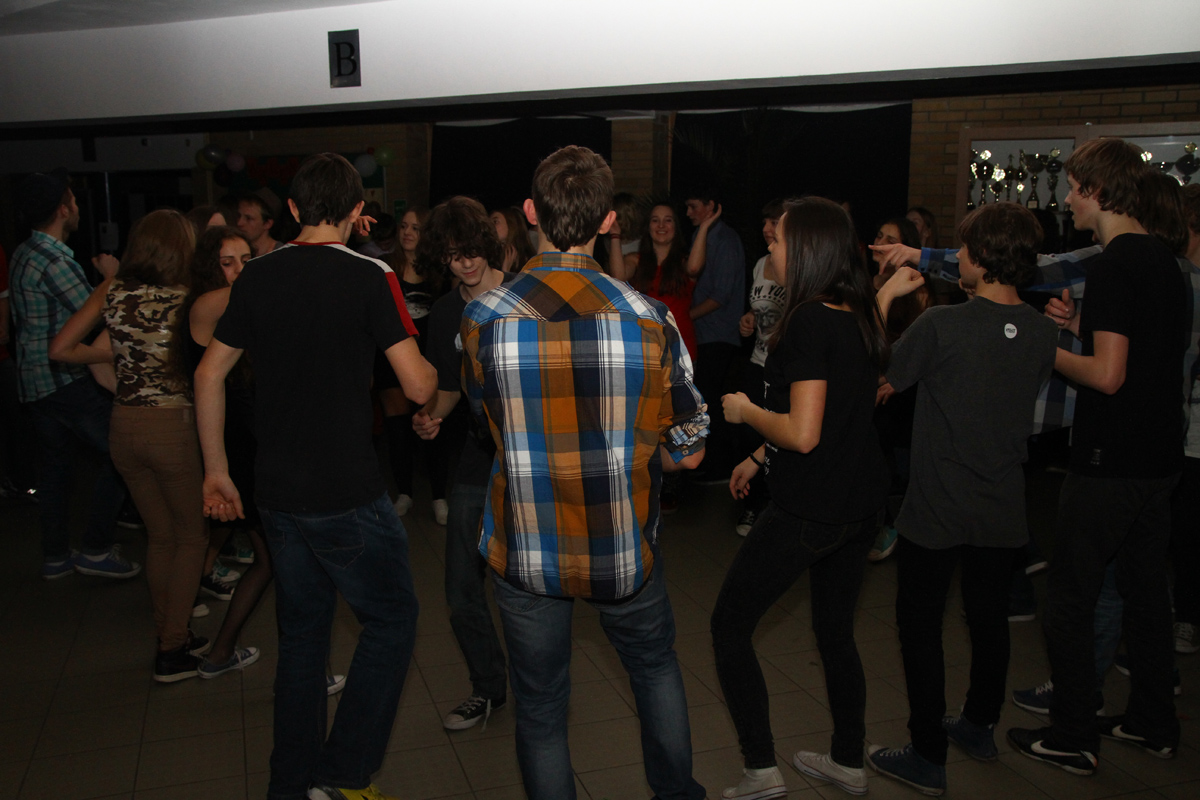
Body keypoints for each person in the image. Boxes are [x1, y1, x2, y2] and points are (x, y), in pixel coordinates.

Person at [461, 145, 709, 800]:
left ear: (528, 213)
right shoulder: (651, 320)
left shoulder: (483, 318)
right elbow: (690, 450)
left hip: (526, 548)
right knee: (654, 670)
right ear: (608, 221)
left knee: (541, 708)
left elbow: (485, 418)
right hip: (622, 544)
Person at [195, 152, 437, 800]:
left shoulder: (256, 275)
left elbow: (208, 373)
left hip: (277, 491)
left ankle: (291, 784)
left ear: (294, 210)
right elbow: (417, 386)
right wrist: (434, 372)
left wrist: (216, 471)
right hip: (345, 491)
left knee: (302, 639)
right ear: (358, 212)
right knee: (392, 619)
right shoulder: (372, 275)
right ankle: (344, 773)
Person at [864, 203, 1059, 796]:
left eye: (964, 249)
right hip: (1002, 503)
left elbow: (881, 375)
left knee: (920, 626)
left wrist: (883, 299)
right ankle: (978, 725)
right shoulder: (1044, 331)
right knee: (989, 620)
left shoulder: (942, 326)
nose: (958, 257)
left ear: (981, 256)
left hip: (937, 503)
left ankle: (926, 754)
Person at [1007, 138, 1186, 774]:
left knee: (1071, 597)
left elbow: (1108, 377)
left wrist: (1043, 345)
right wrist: (1075, 328)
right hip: (1158, 456)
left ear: (1101, 191)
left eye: (1077, 188)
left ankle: (1073, 734)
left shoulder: (1113, 266)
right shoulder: (1164, 259)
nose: (1070, 199)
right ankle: (1152, 722)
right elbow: (1144, 352)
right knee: (1145, 594)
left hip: (1112, 459)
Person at [712, 197, 890, 800]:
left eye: (780, 240)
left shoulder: (808, 321)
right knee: (835, 633)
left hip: (812, 508)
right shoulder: (855, 312)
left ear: (809, 250)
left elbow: (805, 432)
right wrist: (760, 456)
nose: (771, 248)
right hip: (859, 504)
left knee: (729, 626)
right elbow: (836, 414)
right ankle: (848, 761)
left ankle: (760, 769)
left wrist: (745, 412)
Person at [50, 209, 209, 682]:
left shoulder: (113, 290)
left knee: (160, 538)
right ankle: (172, 648)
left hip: (124, 424)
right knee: (192, 537)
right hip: (172, 426)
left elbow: (61, 349)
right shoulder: (188, 298)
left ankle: (170, 634)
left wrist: (121, 353)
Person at [411, 196, 514, 731]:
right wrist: (432, 415)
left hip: (526, 461)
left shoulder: (523, 295)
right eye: (452, 255)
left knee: (524, 587)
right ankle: (488, 686)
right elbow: (448, 387)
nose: (465, 263)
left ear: (487, 245)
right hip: (475, 461)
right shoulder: (447, 312)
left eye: (471, 251)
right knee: (461, 590)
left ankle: (539, 684)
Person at [8, 168, 139, 580]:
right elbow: (98, 314)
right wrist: (112, 277)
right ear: (63, 210)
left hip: (35, 382)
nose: (79, 207)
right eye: (75, 201)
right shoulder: (54, 260)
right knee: (122, 454)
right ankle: (96, 549)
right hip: (62, 381)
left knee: (56, 469)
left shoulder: (24, 251)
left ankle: (56, 556)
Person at [378, 207, 447, 521]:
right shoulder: (384, 267)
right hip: (391, 359)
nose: (407, 232)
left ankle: (439, 496)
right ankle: (404, 493)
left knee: (431, 427)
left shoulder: (438, 270)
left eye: (415, 228)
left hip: (427, 358)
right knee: (397, 432)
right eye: (404, 226)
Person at [731, 199, 785, 536]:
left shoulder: (799, 267)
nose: (766, 229)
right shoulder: (761, 263)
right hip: (757, 362)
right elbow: (759, 308)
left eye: (773, 222)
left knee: (777, 437)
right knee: (750, 435)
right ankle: (751, 507)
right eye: (764, 222)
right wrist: (749, 318)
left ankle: (774, 508)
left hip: (783, 369)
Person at [685, 188, 746, 481]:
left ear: (711, 206)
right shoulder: (702, 236)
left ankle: (720, 467)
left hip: (719, 333)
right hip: (703, 334)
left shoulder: (726, 240)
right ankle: (711, 465)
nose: (688, 213)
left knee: (712, 400)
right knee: (705, 399)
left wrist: (684, 316)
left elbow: (720, 296)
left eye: (693, 206)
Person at [236, 188, 283, 257]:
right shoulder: (237, 251)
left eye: (249, 218)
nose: (239, 223)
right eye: (238, 216)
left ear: (267, 224)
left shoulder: (281, 255)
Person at [490, 206, 535, 273]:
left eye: (495, 222)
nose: (490, 226)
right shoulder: (492, 259)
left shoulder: (530, 262)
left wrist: (505, 273)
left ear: (511, 224)